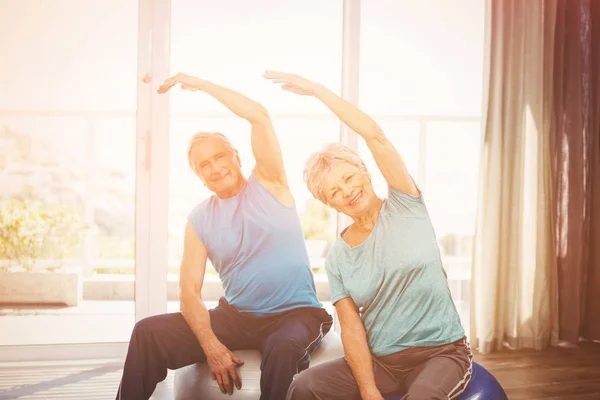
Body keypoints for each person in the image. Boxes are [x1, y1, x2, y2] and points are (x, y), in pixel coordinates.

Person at [115, 72, 332, 400]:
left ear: (237, 157)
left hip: (295, 314)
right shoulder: (199, 219)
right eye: (204, 165)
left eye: (219, 157)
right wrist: (211, 345)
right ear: (199, 176)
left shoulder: (271, 184)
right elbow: (189, 290)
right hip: (238, 316)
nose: (215, 168)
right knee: (147, 332)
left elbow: (258, 115)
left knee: (283, 347)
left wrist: (202, 85)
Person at [263, 71, 472, 400]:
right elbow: (352, 328)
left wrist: (318, 91)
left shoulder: (405, 204)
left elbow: (376, 136)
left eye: (348, 177)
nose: (346, 191)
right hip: (383, 364)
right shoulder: (339, 257)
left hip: (440, 354)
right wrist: (367, 388)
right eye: (333, 191)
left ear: (363, 169)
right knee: (303, 387)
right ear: (327, 202)